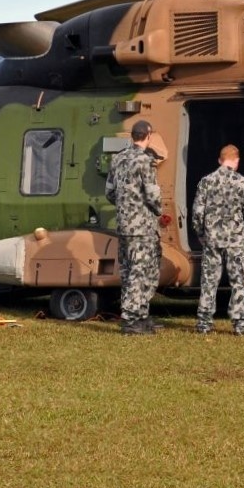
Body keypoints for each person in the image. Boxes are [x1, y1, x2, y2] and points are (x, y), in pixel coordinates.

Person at [193, 144, 244, 335]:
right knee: (238, 281)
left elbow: (197, 212)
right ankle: (240, 324)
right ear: (237, 161)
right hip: (234, 240)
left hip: (212, 239)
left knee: (209, 281)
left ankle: (204, 323)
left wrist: (200, 233)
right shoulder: (242, 182)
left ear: (220, 160)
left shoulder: (206, 181)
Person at [105, 119, 164, 335]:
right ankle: (131, 320)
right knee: (142, 271)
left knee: (129, 270)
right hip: (142, 227)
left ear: (132, 136)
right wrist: (157, 211)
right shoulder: (145, 161)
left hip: (123, 225)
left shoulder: (118, 159)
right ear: (148, 135)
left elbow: (109, 192)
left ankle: (141, 315)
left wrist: (124, 208)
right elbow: (152, 194)